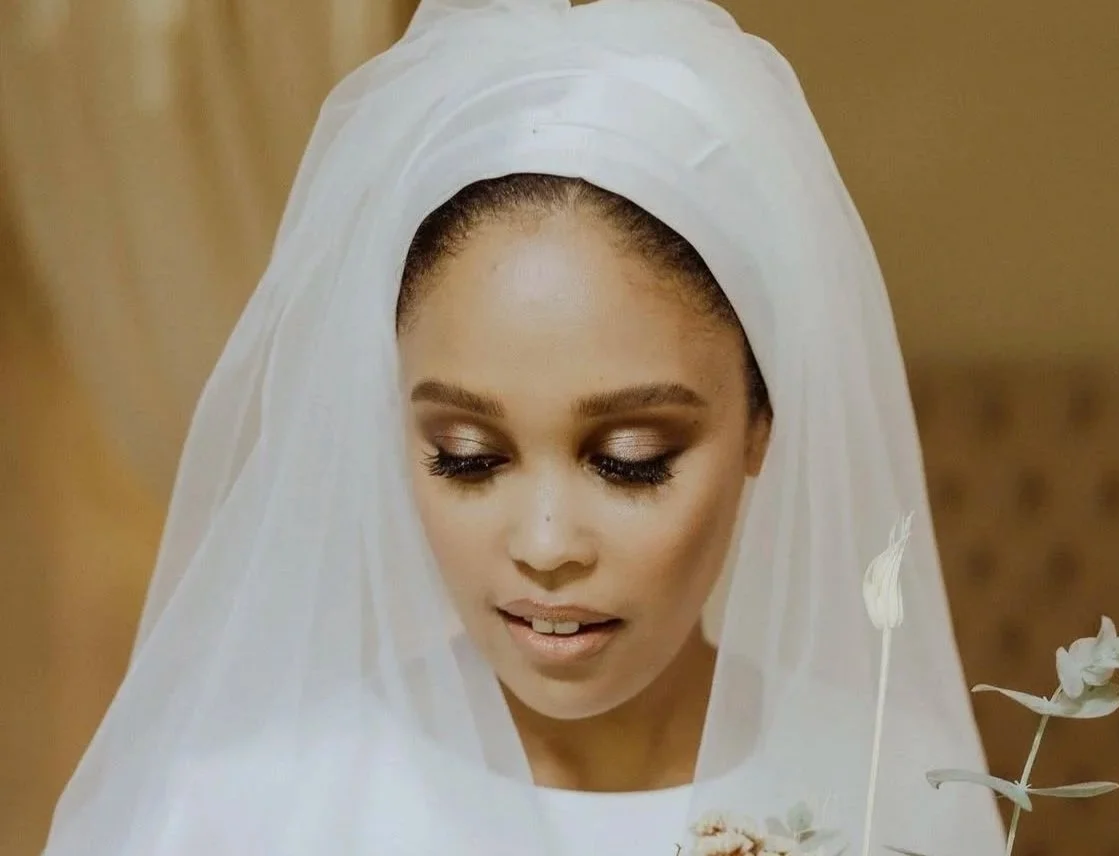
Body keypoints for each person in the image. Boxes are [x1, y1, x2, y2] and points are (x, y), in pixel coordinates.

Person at [42, 1, 1006, 854]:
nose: (546, 547)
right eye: (467, 459)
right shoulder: (236, 812)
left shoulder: (895, 801)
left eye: (629, 460)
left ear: (761, 421)